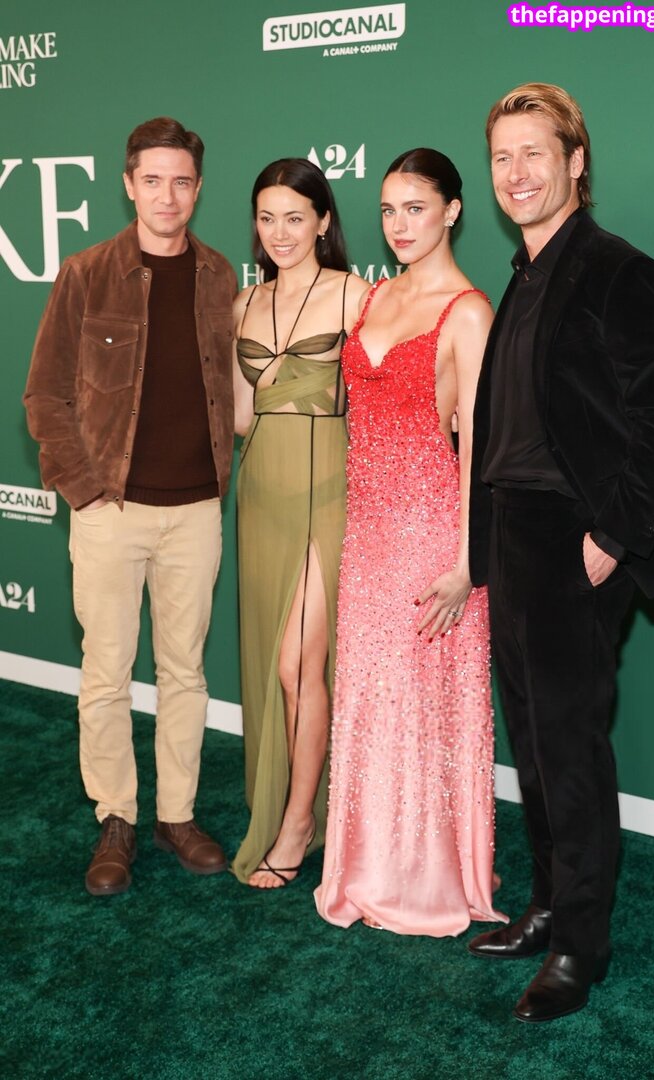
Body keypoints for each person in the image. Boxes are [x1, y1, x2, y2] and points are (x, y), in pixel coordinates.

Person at [467, 84, 654, 1021]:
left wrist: (611, 537)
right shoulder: (522, 274)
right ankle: (547, 905)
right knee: (531, 740)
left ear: (576, 161)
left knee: (568, 747)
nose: (517, 173)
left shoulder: (618, 270)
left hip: (575, 539)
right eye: (502, 157)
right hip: (511, 535)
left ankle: (581, 945)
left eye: (535, 153)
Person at [24, 117, 238, 895]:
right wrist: (85, 492)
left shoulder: (218, 276)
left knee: (185, 673)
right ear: (128, 185)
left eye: (180, 181)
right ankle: (116, 816)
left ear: (197, 188)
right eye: (152, 180)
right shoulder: (87, 274)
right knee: (107, 675)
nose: (166, 196)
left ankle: (176, 816)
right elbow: (45, 395)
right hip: (110, 510)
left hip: (197, 512)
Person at [315, 148, 505, 936]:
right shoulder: (375, 296)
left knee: (424, 704)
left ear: (452, 211)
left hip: (433, 534)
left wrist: (468, 562)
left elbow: (482, 450)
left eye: (416, 208)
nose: (399, 225)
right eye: (389, 210)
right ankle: (367, 865)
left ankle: (426, 876)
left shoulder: (469, 312)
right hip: (368, 535)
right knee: (371, 696)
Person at [230, 159, 368, 888]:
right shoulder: (243, 306)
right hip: (262, 495)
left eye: (294, 217)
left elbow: (389, 405)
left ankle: (300, 822)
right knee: (277, 666)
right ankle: (291, 801)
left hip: (329, 497)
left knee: (297, 666)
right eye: (266, 217)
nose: (279, 233)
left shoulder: (356, 296)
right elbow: (241, 416)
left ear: (323, 221)